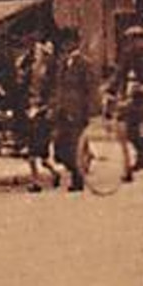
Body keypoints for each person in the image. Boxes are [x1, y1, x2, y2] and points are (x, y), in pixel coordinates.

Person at [51, 30, 98, 192]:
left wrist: (90, 111)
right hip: (62, 110)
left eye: (68, 43)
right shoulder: (63, 63)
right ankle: (76, 168)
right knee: (60, 146)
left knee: (74, 146)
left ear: (76, 43)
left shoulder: (85, 63)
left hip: (78, 110)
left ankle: (77, 180)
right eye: (64, 43)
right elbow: (58, 87)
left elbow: (91, 89)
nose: (66, 46)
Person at [13, 32, 59, 191]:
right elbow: (21, 84)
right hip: (30, 109)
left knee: (41, 151)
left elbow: (54, 89)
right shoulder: (28, 67)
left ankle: (51, 172)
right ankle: (36, 181)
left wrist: (49, 106)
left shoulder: (51, 69)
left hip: (42, 110)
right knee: (32, 150)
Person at [116, 24, 143, 175]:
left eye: (135, 40)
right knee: (129, 126)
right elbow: (119, 74)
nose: (134, 44)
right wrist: (109, 89)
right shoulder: (129, 54)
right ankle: (142, 154)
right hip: (136, 93)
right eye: (130, 41)